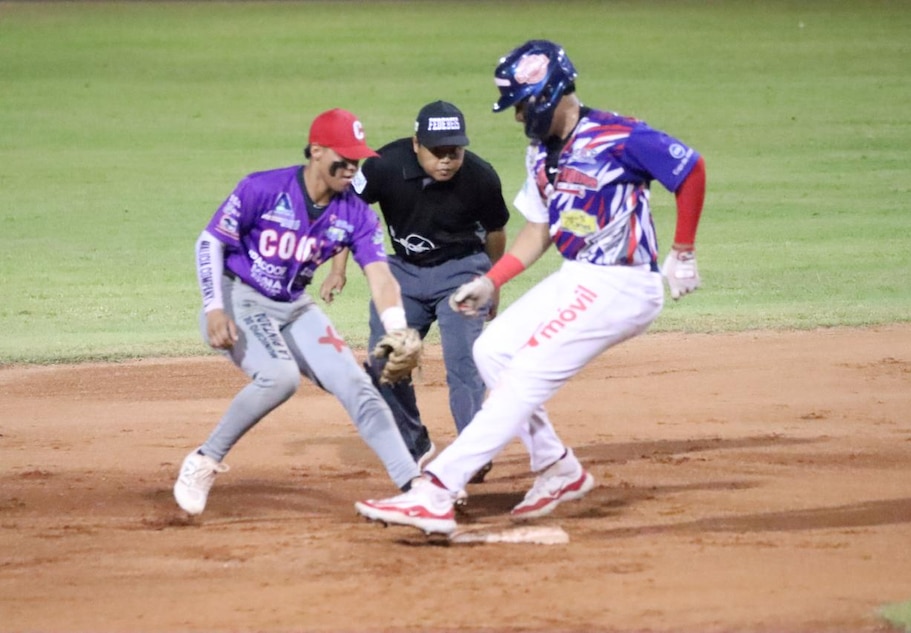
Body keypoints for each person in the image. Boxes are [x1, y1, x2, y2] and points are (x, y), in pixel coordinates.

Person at [354, 40, 706, 535]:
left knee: (519, 379)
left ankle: (434, 492)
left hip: (622, 284)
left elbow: (690, 169)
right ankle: (557, 466)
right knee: (493, 352)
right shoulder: (541, 155)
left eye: (521, 104)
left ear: (546, 95)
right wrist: (490, 280)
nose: (518, 117)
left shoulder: (619, 136)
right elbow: (538, 229)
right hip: (579, 276)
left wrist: (683, 251)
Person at [173, 108, 423, 516]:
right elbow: (209, 242)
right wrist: (214, 306)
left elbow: (380, 276)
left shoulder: (356, 214)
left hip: (295, 306)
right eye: (343, 158)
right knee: (279, 377)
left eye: (357, 159)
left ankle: (414, 485)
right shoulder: (263, 188)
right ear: (317, 151)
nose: (351, 168)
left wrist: (396, 328)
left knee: (356, 383)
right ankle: (203, 460)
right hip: (239, 297)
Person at [321, 101, 509, 485]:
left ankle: (473, 450)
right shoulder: (383, 166)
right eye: (437, 152)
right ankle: (414, 442)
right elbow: (349, 213)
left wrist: (493, 281)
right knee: (384, 362)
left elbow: (495, 233)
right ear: (415, 144)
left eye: (453, 152)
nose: (446, 161)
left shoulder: (480, 176)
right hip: (403, 274)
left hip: (463, 271)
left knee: (464, 363)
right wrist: (337, 268)